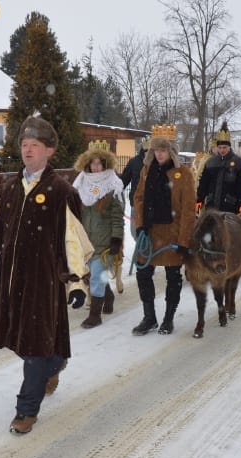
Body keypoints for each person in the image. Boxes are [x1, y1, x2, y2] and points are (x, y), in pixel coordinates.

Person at [0, 116, 93, 435]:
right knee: (28, 343)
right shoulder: (10, 188)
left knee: (35, 348)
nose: (28, 151)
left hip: (45, 283)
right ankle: (55, 365)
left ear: (50, 151)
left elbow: (72, 239)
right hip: (12, 282)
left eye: (35, 146)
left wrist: (75, 282)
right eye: (24, 145)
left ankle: (26, 410)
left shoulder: (61, 192)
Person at [132, 124, 196, 336]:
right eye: (155, 150)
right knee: (143, 275)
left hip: (172, 233)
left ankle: (168, 318)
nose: (159, 154)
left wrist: (184, 240)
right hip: (149, 233)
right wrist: (139, 226)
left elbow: (188, 210)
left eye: (163, 150)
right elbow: (138, 199)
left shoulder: (183, 173)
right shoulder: (146, 171)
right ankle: (149, 317)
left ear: (171, 151)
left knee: (173, 276)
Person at [72, 140, 126, 329]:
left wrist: (117, 239)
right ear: (88, 164)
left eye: (99, 162)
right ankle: (108, 296)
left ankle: (95, 315)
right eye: (93, 163)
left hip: (105, 241)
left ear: (105, 164)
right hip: (85, 240)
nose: (96, 167)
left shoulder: (114, 185)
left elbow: (118, 217)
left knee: (96, 276)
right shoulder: (80, 184)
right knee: (92, 275)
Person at [196, 121, 241, 214]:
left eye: (224, 147)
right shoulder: (210, 163)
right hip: (211, 206)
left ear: (229, 147)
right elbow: (203, 183)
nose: (222, 150)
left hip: (230, 207)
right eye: (220, 147)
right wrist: (199, 199)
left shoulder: (239, 164)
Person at [120, 136, 149, 240]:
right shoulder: (134, 162)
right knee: (135, 233)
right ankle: (140, 251)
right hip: (135, 204)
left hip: (152, 206)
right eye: (147, 150)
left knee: (150, 235)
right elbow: (123, 180)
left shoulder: (158, 163)